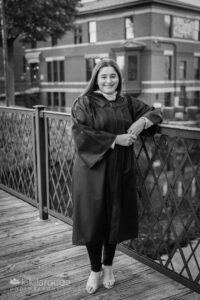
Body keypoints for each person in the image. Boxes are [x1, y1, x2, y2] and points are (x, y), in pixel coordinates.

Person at [71, 58, 162, 294]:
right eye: (104, 76)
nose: (109, 80)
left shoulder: (127, 102)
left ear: (119, 79)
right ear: (96, 79)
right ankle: (94, 270)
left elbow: (155, 113)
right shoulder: (85, 103)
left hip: (121, 168)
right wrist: (115, 139)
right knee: (94, 221)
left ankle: (109, 266)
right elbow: (81, 134)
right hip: (93, 170)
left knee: (114, 217)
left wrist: (142, 121)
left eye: (113, 76)